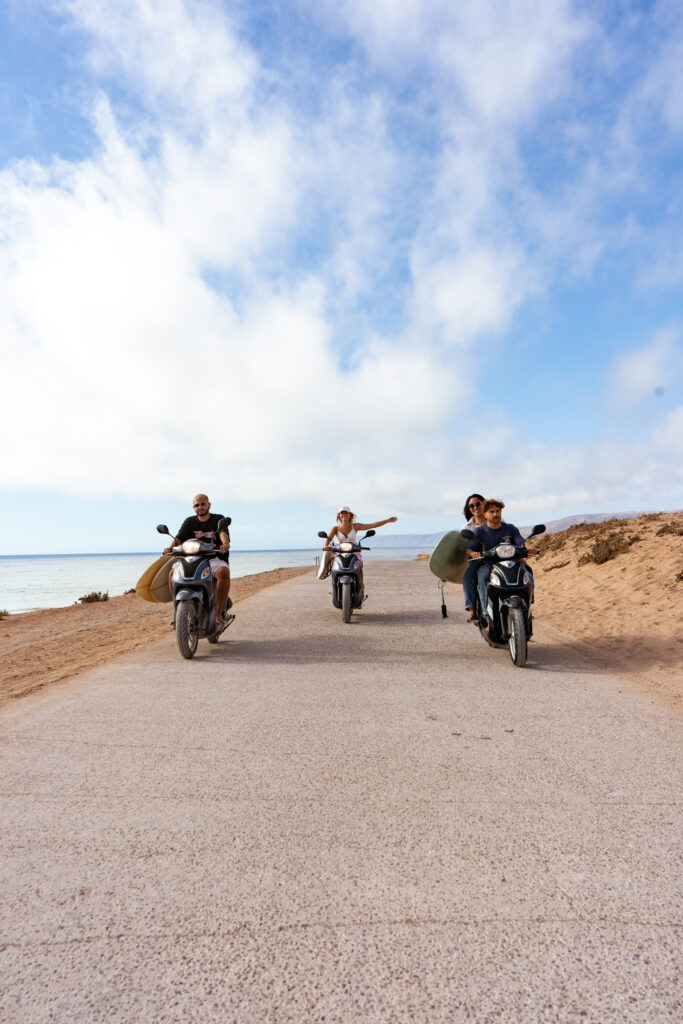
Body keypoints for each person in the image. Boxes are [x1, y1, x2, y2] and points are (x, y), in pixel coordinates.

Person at [466, 499, 538, 623]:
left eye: (498, 511)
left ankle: (526, 608)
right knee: (482, 579)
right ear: (485, 514)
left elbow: (520, 542)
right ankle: (486, 614)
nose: (495, 514)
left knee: (528, 577)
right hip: (489, 564)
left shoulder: (510, 528)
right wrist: (473, 553)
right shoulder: (479, 531)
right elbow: (469, 549)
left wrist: (528, 549)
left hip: (512, 563)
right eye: (492, 512)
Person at [164, 494, 232, 624]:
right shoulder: (189, 522)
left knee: (223, 573)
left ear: (209, 505)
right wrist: (170, 547)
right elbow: (179, 538)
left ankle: (218, 613)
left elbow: (223, 532)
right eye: (197, 505)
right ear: (194, 508)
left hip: (213, 558)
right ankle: (177, 611)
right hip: (193, 558)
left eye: (203, 504)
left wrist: (225, 544)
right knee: (173, 574)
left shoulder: (218, 519)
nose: (200, 507)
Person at [323, 506, 398, 595]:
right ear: (339, 515)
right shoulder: (335, 528)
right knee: (334, 568)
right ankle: (334, 587)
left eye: (346, 512)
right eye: (341, 513)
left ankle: (360, 586)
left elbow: (372, 525)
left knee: (359, 566)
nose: (344, 514)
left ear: (350, 515)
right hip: (340, 552)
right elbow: (327, 542)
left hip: (354, 551)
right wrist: (326, 546)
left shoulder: (356, 526)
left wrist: (387, 521)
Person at [461, 493, 487, 622]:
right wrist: (472, 553)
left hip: (494, 556)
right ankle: (472, 610)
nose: (475, 507)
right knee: (467, 577)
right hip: (477, 559)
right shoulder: (467, 527)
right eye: (471, 505)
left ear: (484, 504)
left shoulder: (493, 519)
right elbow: (463, 548)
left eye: (478, 504)